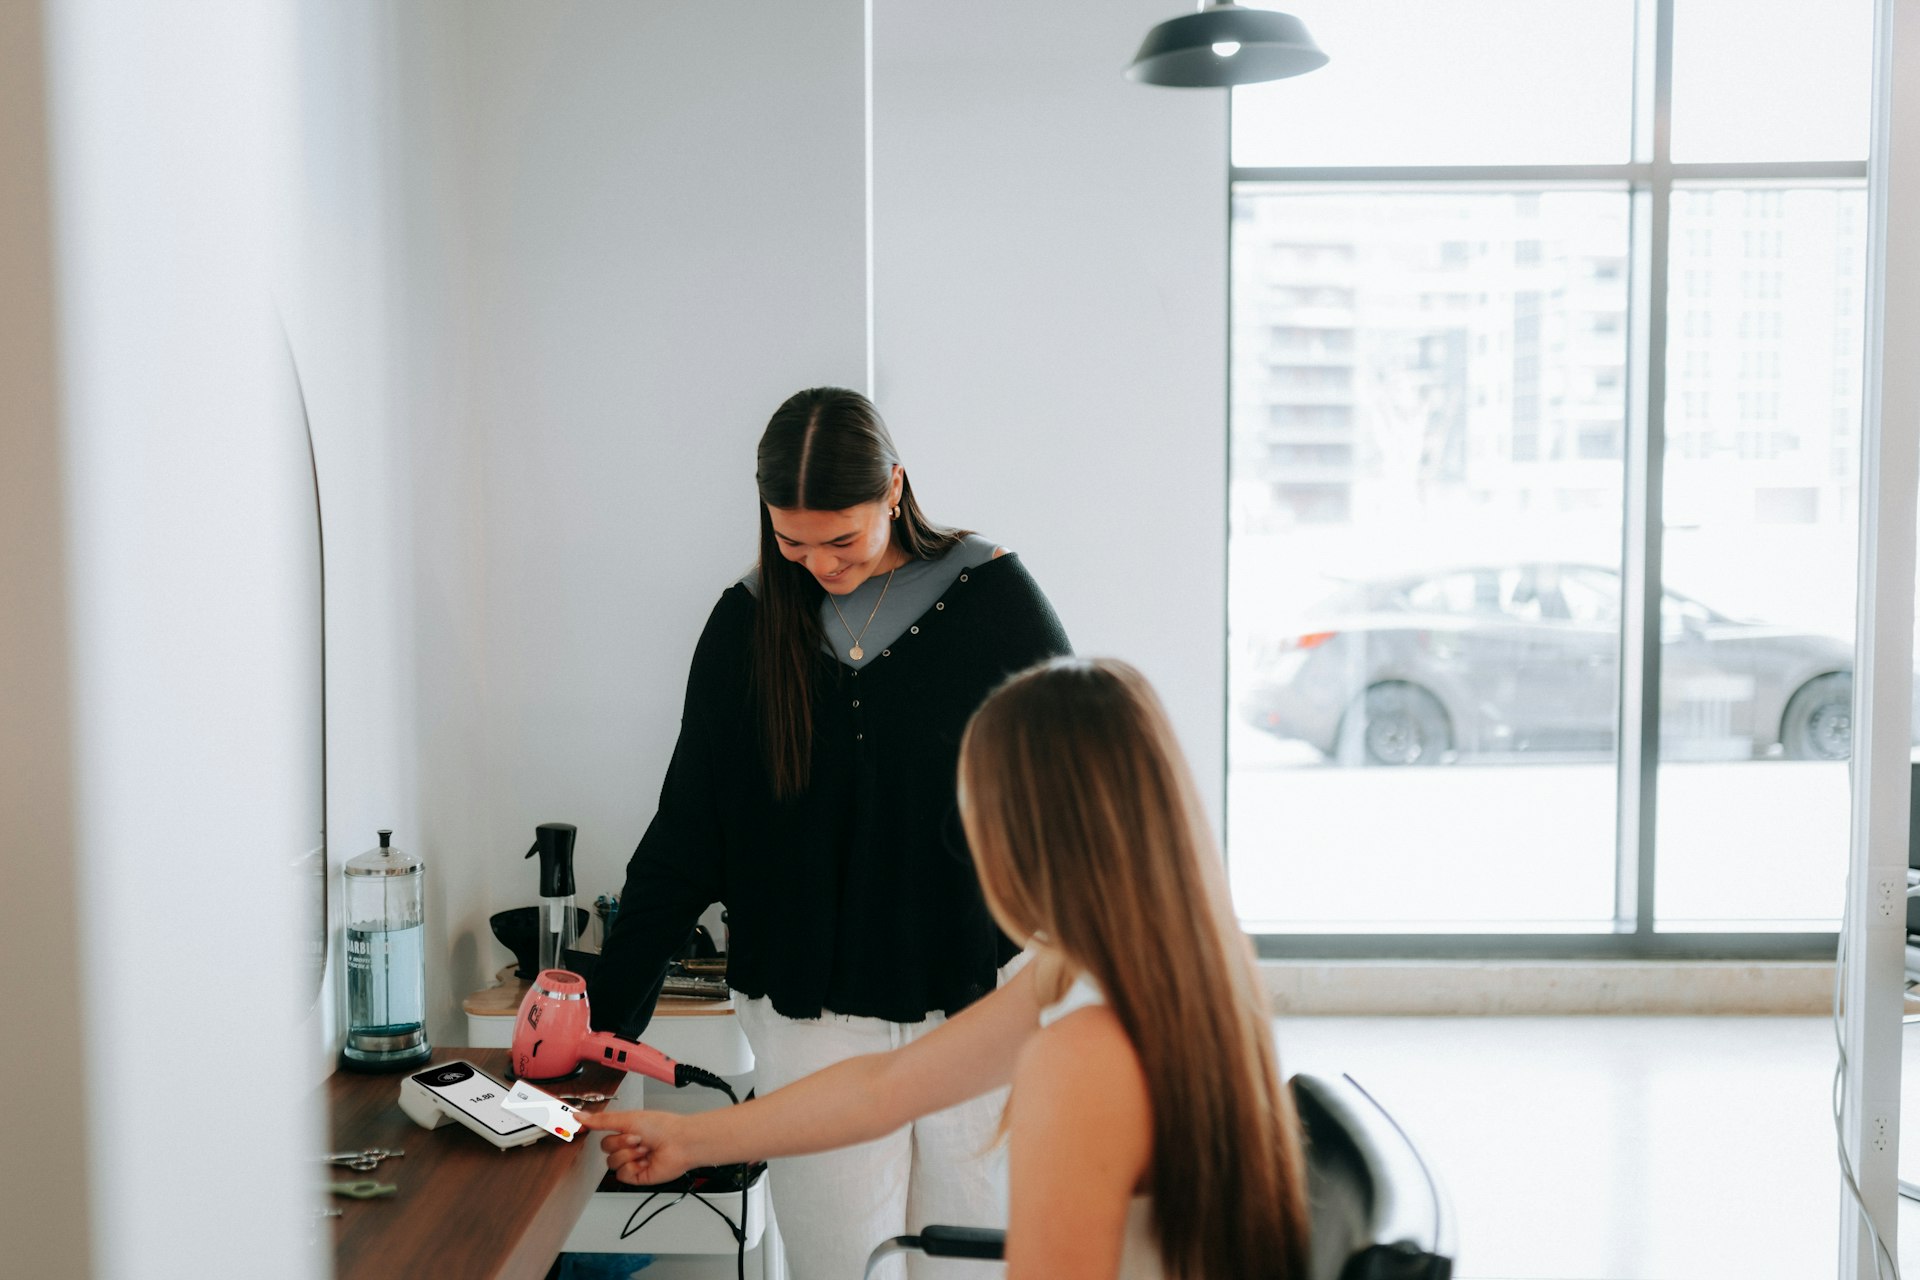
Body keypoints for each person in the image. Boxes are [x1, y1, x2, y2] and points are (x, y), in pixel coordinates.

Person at [584, 658, 1313, 1280]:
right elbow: (884, 1089)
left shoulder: (1085, 1056)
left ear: (1028, 836)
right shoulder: (1156, 967)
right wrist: (690, 1141)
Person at [587, 386, 1072, 1280]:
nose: (819, 564)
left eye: (841, 539)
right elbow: (688, 830)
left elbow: (1078, 783)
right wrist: (607, 1018)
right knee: (840, 1268)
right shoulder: (746, 622)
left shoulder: (992, 597)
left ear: (894, 489)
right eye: (791, 540)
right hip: (809, 1015)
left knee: (971, 1261)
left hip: (975, 998)